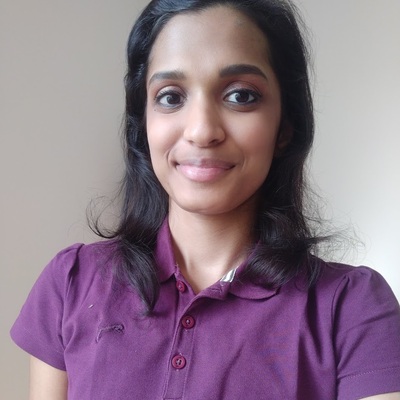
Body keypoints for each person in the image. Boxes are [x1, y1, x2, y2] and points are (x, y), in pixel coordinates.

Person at [10, 0, 400, 399]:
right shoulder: (71, 283)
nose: (201, 130)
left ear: (284, 126)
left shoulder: (353, 310)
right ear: (143, 123)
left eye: (241, 95)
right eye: (170, 97)